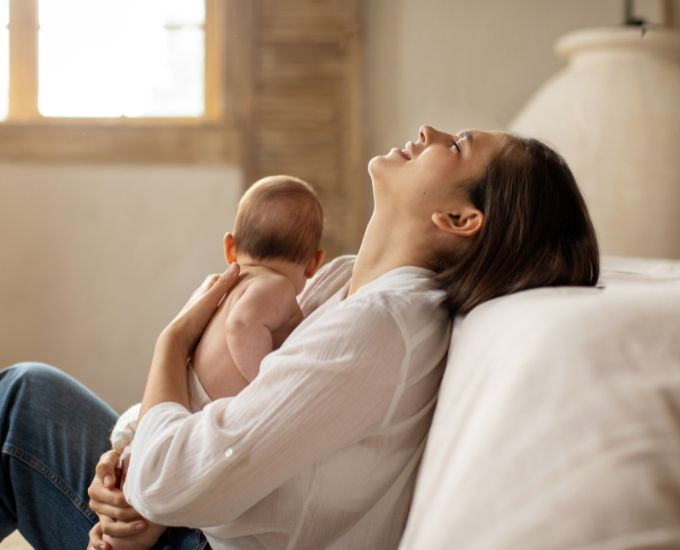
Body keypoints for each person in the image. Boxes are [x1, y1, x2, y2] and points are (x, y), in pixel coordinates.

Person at [0, 125, 599, 550]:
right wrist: (129, 470)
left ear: (461, 219)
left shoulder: (380, 327)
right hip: (191, 523)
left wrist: (171, 342)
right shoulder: (342, 284)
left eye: (460, 146)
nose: (430, 131)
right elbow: (223, 445)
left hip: (207, 541)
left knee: (21, 398)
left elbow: (171, 479)